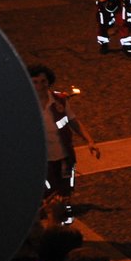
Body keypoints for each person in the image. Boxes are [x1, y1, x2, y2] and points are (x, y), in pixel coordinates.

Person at [31, 64, 99, 224]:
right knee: (49, 191)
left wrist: (90, 141)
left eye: (43, 81)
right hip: (42, 159)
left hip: (64, 155)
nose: (40, 86)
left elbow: (74, 122)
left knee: (66, 188)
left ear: (49, 82)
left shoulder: (59, 101)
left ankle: (63, 217)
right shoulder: (25, 104)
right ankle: (51, 221)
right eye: (35, 82)